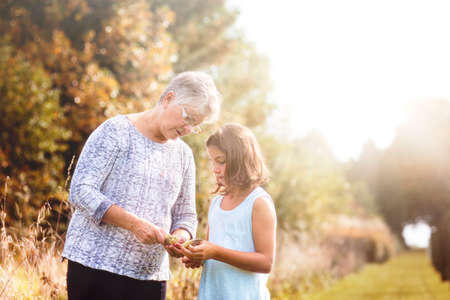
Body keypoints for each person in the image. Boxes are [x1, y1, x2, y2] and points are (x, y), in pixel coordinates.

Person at [62, 71, 221, 300]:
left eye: (195, 125)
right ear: (168, 99)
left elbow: (185, 215)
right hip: (94, 267)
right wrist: (134, 224)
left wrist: (180, 238)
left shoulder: (184, 155)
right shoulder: (115, 131)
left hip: (150, 278)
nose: (188, 129)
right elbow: (81, 191)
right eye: (188, 118)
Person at [178, 123, 277, 300]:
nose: (215, 168)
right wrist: (197, 256)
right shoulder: (216, 203)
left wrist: (215, 252)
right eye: (212, 161)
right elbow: (212, 249)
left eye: (221, 161)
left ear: (241, 159)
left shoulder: (258, 203)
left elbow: (265, 262)